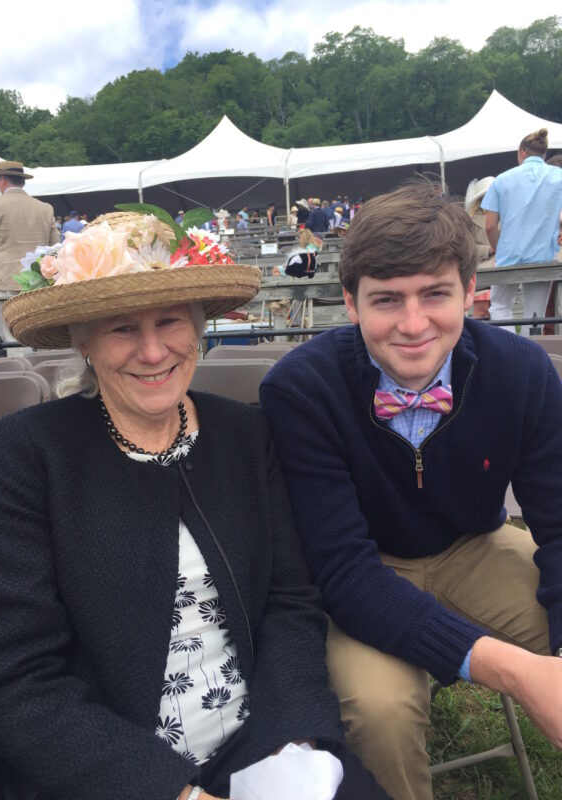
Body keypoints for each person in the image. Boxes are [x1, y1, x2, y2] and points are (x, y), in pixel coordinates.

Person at [0, 211, 388, 800]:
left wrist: (294, 749)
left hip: (261, 744)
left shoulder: (245, 434)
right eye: (121, 329)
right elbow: (11, 677)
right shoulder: (34, 450)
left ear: (200, 328)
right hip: (112, 770)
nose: (154, 350)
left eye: (170, 322)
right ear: (82, 340)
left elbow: (290, 602)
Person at [260, 181, 562, 800]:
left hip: (475, 547)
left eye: (435, 294)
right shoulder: (300, 389)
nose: (413, 323)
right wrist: (521, 672)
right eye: (387, 300)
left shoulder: (522, 371)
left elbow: (558, 522)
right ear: (349, 303)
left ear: (471, 292)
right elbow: (342, 569)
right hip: (359, 573)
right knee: (380, 711)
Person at [482, 128, 562, 334]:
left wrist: (499, 249)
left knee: (500, 309)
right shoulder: (559, 177)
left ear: (522, 152)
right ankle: (530, 355)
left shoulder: (501, 179)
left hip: (508, 256)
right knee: (536, 315)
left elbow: (490, 225)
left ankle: (507, 353)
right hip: (544, 256)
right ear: (544, 154)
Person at [0, 160, 59, 294]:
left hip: (5, 280)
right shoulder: (46, 208)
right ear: (22, 181)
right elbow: (55, 246)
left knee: (4, 315)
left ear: (2, 180)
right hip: (37, 281)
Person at [464, 177, 495, 319]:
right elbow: (466, 247)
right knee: (480, 311)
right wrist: (487, 250)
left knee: (497, 311)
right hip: (482, 269)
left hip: (501, 269)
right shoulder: (470, 220)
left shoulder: (504, 215)